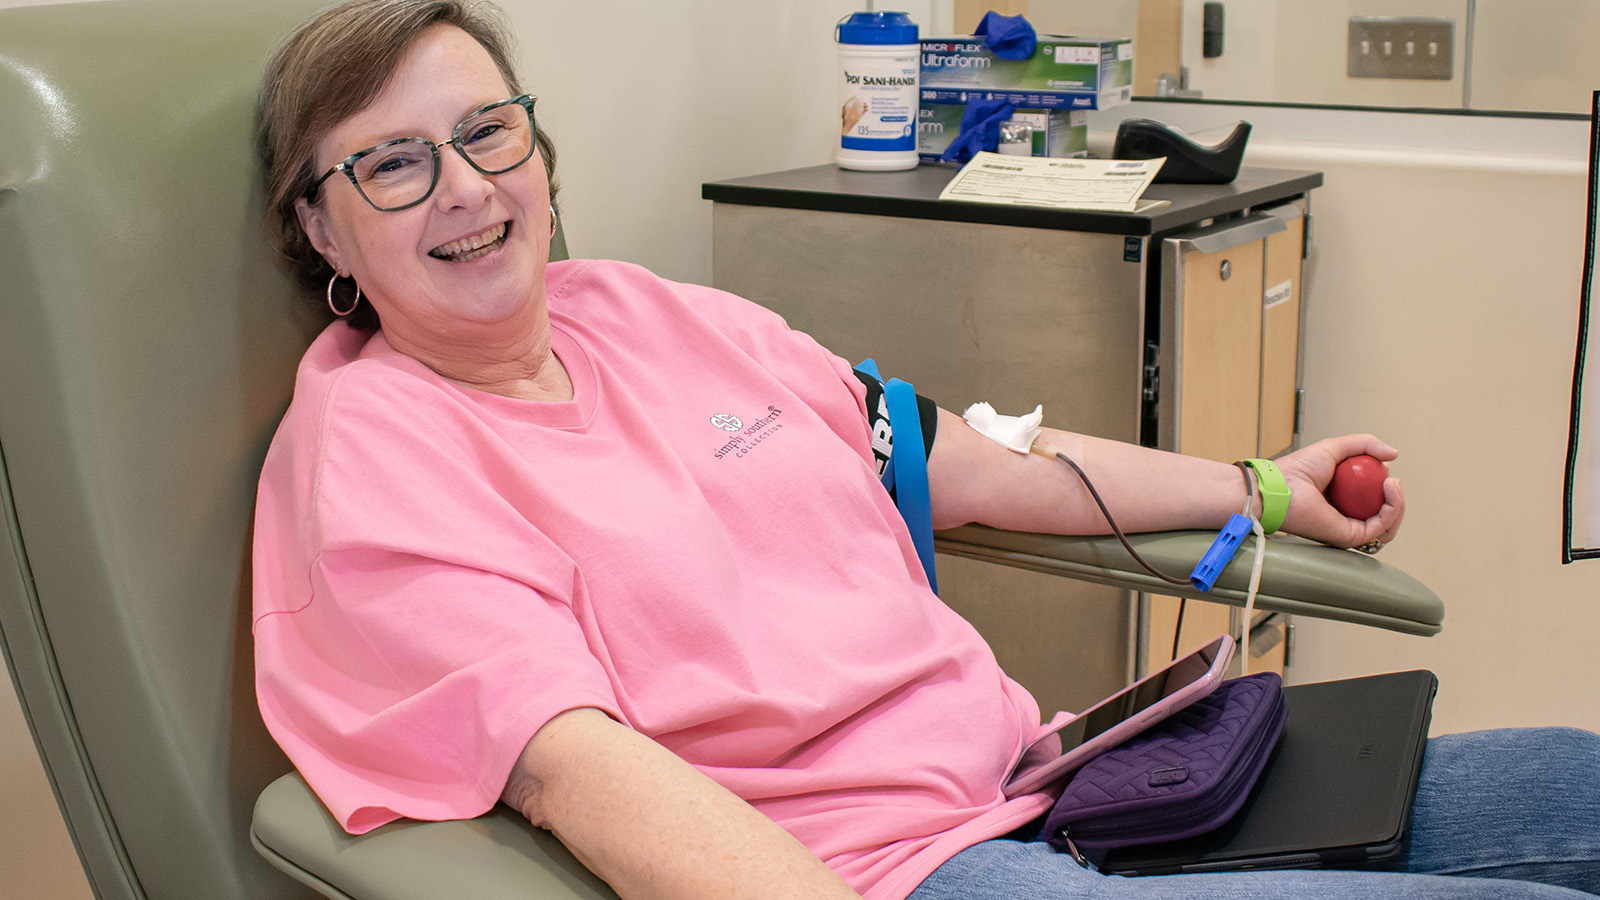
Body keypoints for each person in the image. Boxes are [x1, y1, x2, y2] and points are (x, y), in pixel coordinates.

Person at [250, 2, 1600, 899]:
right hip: (901, 871)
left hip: (1064, 781)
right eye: (394, 164)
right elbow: (570, 769)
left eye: (487, 131)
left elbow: (967, 459)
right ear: (323, 229)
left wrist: (1259, 486)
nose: (471, 186)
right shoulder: (374, 449)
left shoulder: (657, 312)